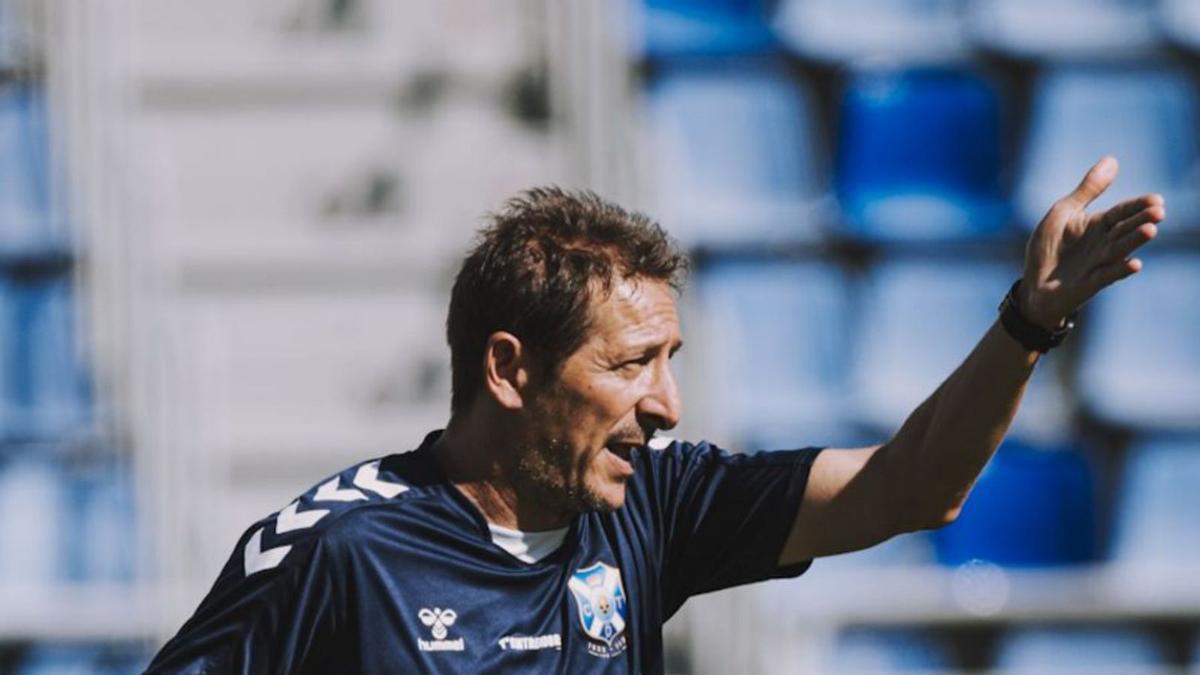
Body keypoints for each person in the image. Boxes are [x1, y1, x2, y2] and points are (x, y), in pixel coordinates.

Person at [146, 157, 1163, 674]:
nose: (666, 406)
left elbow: (914, 488)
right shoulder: (340, 550)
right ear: (509, 369)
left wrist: (1028, 323)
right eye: (633, 365)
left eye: (669, 362)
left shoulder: (651, 503)